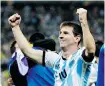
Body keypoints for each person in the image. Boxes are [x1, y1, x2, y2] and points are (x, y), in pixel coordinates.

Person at [8, 8, 97, 86]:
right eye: (60, 33)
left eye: (66, 33)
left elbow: (91, 50)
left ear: (77, 38)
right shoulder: (56, 60)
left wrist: (84, 22)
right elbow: (27, 51)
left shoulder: (80, 58)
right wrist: (15, 27)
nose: (61, 36)